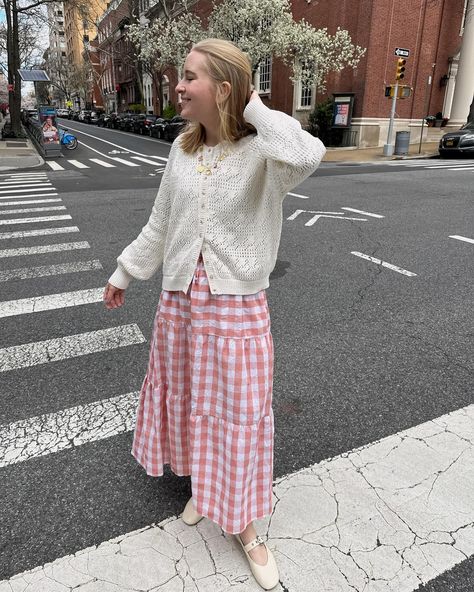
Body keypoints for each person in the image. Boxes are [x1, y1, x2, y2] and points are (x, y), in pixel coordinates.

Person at [103, 38, 326, 590]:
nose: (178, 86)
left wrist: (249, 105)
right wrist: (125, 271)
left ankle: (247, 528)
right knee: (192, 404)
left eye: (190, 77)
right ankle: (206, 489)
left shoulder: (264, 155)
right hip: (179, 304)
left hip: (235, 308)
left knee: (239, 413)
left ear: (222, 89)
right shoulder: (181, 151)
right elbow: (161, 223)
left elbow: (308, 153)